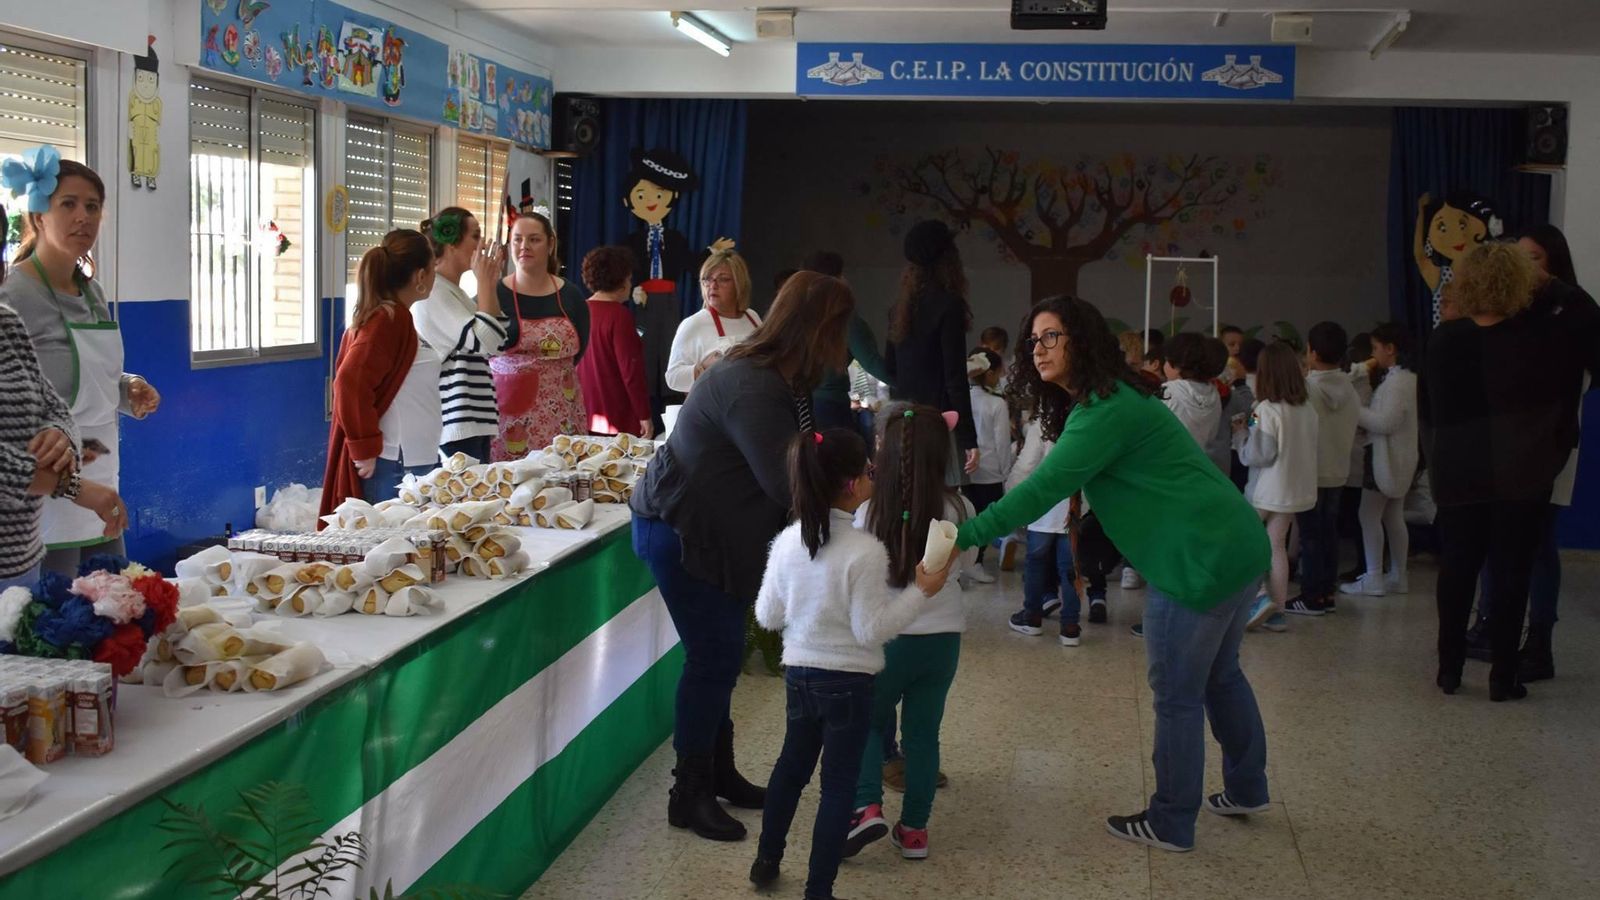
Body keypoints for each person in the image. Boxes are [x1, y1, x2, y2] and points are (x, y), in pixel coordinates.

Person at [955, 295, 1270, 852]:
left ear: (1082, 339)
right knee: (1221, 677)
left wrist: (964, 535)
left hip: (1198, 561)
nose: (1039, 348)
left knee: (1177, 694)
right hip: (1235, 543)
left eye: (1052, 336)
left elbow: (1040, 492)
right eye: (1034, 339)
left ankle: (1172, 819)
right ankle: (1247, 787)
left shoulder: (1106, 410)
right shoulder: (1112, 398)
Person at [631, 271, 857, 843]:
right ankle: (689, 794)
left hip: (718, 530)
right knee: (713, 659)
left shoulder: (784, 377)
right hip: (682, 529)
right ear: (819, 329)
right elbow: (789, 487)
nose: (845, 343)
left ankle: (720, 773)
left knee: (723, 655)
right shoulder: (754, 386)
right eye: (840, 329)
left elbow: (804, 460)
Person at [748, 427, 953, 899]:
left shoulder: (786, 543)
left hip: (799, 676)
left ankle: (767, 860)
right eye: (867, 471)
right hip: (849, 685)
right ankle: (819, 889)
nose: (870, 479)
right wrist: (921, 590)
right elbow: (872, 630)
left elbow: (767, 615)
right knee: (838, 787)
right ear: (850, 486)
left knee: (789, 770)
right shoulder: (864, 551)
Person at [1426, 241, 1600, 700]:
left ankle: (1449, 668)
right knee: (1511, 571)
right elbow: (1585, 319)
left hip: (1459, 468)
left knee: (1458, 567)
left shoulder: (1444, 339)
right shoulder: (1540, 338)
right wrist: (1551, 282)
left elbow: (1432, 410)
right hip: (1521, 469)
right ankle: (1504, 675)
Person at [0, 148, 158, 575]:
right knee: (53, 619)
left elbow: (83, 378)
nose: (83, 216)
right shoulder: (13, 296)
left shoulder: (93, 293)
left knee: (113, 606)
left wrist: (126, 389)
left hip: (102, 472)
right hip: (40, 486)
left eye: (92, 206)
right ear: (38, 216)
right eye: (67, 204)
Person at [845, 404, 969, 863]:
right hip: (941, 643)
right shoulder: (960, 507)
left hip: (884, 639)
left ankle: (866, 806)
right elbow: (967, 568)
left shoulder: (867, 512)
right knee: (923, 735)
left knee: (866, 724)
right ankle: (914, 830)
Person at [0, 220, 124, 591]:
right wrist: (72, 487)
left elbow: (52, 402)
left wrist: (59, 432)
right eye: (68, 206)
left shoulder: (6, 324)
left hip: (19, 558)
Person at [320, 230, 437, 512]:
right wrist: (365, 448)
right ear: (420, 276)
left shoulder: (395, 317)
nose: (436, 274)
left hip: (408, 458)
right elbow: (349, 382)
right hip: (394, 462)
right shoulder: (388, 319)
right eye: (434, 267)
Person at [412, 207, 509, 463]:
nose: (482, 245)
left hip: (474, 418)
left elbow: (499, 341)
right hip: (456, 420)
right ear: (452, 243)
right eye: (475, 236)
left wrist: (488, 283)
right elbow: (484, 342)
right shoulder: (434, 294)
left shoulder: (456, 293)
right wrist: (486, 282)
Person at [885, 220, 979, 484]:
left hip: (902, 422)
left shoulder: (898, 309)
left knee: (909, 500)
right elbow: (955, 378)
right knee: (943, 509)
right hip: (939, 423)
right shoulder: (950, 306)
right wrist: (968, 439)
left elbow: (890, 368)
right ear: (948, 258)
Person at [491, 211, 589, 460]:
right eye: (517, 239)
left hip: (562, 414)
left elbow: (580, 350)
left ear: (551, 244)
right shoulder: (493, 294)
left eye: (534, 239)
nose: (524, 246)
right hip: (509, 422)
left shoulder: (571, 296)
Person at [1235, 342, 1319, 632]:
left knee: (1242, 542)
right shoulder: (1307, 408)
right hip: (1296, 491)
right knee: (1276, 546)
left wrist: (1240, 437)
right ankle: (1278, 612)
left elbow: (1258, 454)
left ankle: (1257, 599)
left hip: (1266, 491)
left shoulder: (1263, 410)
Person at [1287, 322, 1361, 616]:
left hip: (1311, 471)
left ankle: (1311, 596)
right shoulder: (1350, 388)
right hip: (1338, 470)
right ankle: (1326, 593)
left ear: (1312, 352)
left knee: (1311, 536)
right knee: (1328, 533)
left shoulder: (1306, 389)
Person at [1340, 323, 1418, 597]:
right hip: (1397, 457)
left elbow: (1386, 422)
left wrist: (1355, 411)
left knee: (1368, 514)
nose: (1372, 354)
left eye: (1374, 348)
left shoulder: (1398, 382)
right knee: (1393, 516)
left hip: (1386, 458)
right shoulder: (1402, 378)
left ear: (1390, 349)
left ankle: (1374, 576)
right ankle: (1398, 574)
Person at [1004, 415, 1082, 645]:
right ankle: (1070, 626)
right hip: (1074, 507)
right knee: (1070, 569)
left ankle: (1032, 617)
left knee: (1036, 562)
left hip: (1043, 505)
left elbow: (1026, 464)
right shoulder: (1087, 418)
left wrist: (1011, 493)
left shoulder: (1044, 422)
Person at [803, 251, 892, 433]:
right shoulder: (845, 320)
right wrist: (910, 385)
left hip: (800, 406)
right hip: (831, 406)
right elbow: (872, 363)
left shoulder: (800, 315)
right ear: (838, 279)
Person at [575, 246, 652, 438]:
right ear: (622, 281)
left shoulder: (578, 312)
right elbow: (631, 372)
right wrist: (644, 415)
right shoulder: (620, 316)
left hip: (582, 413)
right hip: (616, 415)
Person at [664, 249, 762, 395]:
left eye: (723, 279)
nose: (713, 285)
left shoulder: (752, 317)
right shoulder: (694, 323)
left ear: (739, 283)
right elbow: (673, 377)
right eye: (707, 279)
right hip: (717, 412)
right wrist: (702, 368)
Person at [962, 348, 1013, 580]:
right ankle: (976, 562)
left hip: (964, 470)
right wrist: (1006, 473)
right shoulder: (997, 404)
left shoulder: (959, 400)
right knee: (986, 519)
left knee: (965, 515)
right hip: (991, 471)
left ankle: (963, 564)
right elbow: (1002, 443)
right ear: (989, 373)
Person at [1161, 333, 1223, 451]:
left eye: (1166, 361)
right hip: (1196, 460)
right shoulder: (1214, 394)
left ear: (1177, 365)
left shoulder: (1168, 391)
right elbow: (1212, 436)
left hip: (1165, 460)